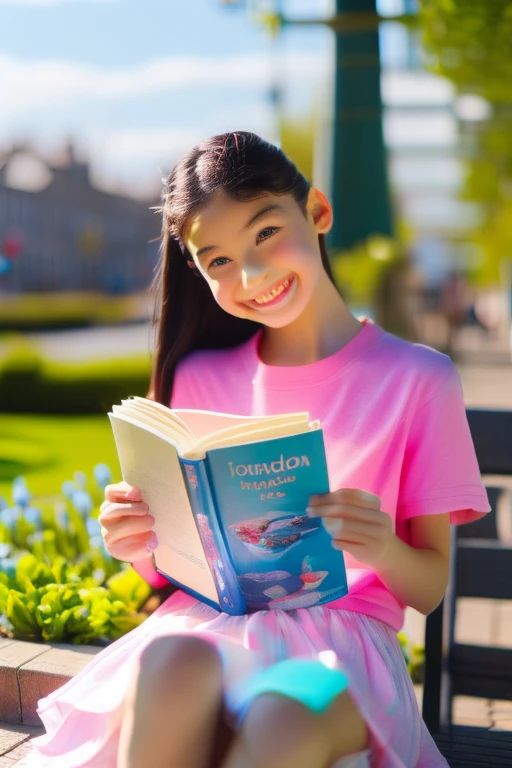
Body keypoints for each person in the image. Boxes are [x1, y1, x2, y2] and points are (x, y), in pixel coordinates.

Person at [21, 132, 490, 768]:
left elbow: (431, 585)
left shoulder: (417, 378)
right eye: (217, 261)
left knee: (282, 716)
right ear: (198, 270)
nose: (251, 275)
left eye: (266, 233)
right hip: (203, 630)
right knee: (168, 663)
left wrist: (380, 545)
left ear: (317, 212)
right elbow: (174, 574)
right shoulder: (196, 377)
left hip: (339, 653)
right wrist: (138, 545)